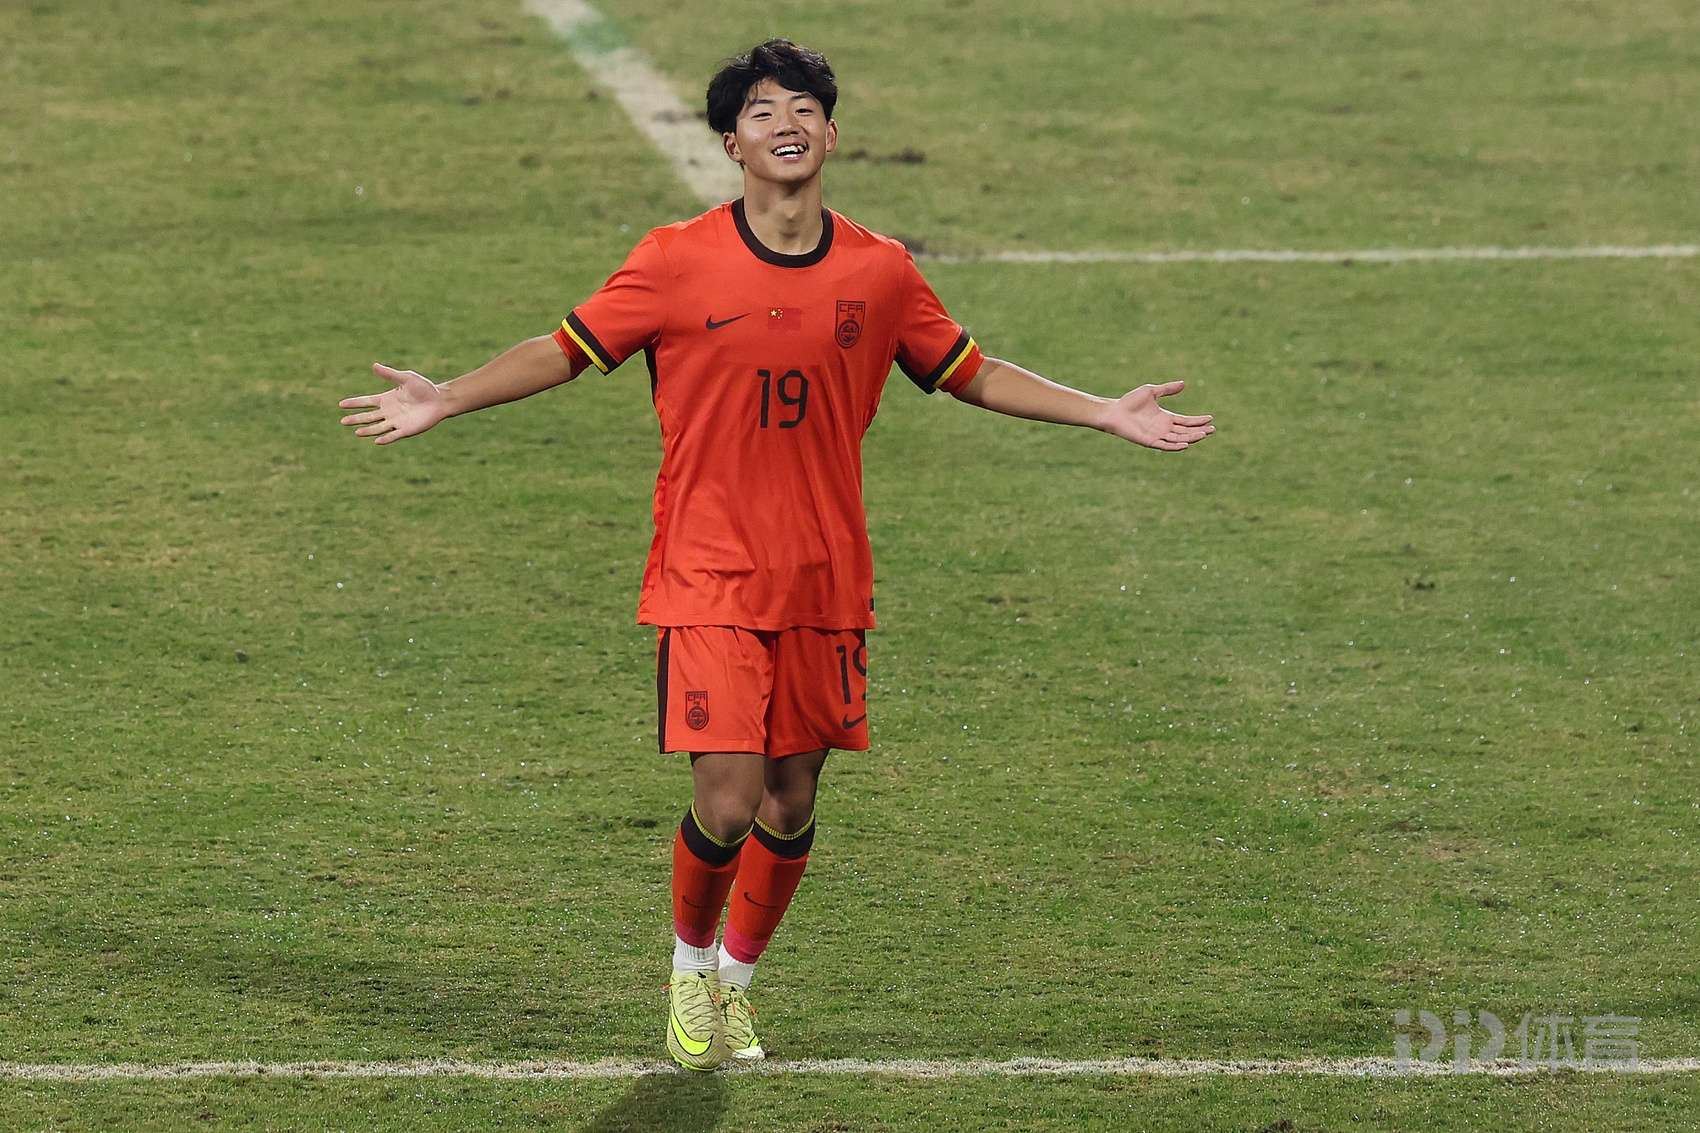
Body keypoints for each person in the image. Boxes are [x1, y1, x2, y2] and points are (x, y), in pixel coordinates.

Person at [338, 38, 1214, 1071]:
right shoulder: (675, 260)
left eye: (802, 108)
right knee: (728, 797)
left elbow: (969, 369)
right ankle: (687, 965)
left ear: (830, 135)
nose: (785, 123)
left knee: (792, 802)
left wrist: (1101, 410)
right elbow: (564, 350)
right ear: (731, 144)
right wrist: (447, 395)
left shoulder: (879, 270)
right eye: (761, 111)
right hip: (707, 572)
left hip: (823, 578)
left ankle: (736, 983)